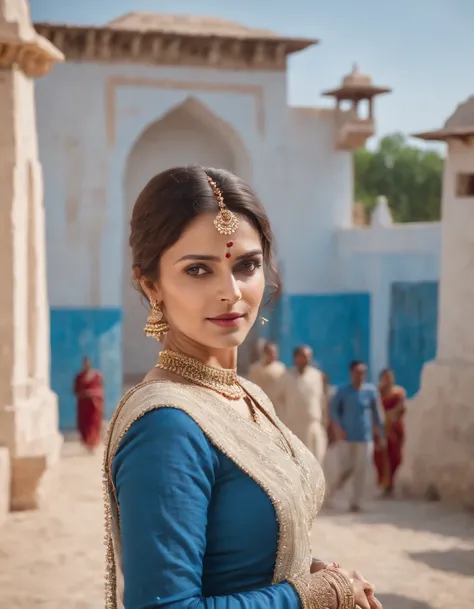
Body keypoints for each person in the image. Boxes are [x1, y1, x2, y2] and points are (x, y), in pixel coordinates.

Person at [103, 165, 382, 609]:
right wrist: (309, 597)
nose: (231, 291)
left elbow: (244, 558)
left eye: (247, 265)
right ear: (151, 284)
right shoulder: (166, 427)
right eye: (198, 270)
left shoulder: (248, 394)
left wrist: (317, 574)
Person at [328, 360, 386, 512]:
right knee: (346, 468)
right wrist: (338, 428)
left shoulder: (371, 391)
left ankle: (356, 502)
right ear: (351, 373)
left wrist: (381, 434)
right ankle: (333, 491)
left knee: (361, 469)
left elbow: (377, 414)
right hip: (346, 437)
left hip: (365, 437)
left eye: (363, 372)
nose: (360, 375)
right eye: (357, 372)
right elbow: (333, 411)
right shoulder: (342, 391)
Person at [277, 345, 328, 464]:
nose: (307, 359)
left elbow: (322, 400)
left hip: (312, 426)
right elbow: (278, 400)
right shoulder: (286, 376)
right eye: (303, 356)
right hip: (293, 428)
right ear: (296, 358)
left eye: (308, 356)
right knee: (296, 463)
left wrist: (326, 422)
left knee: (315, 462)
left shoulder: (317, 375)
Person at [374, 368, 406, 497]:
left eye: (390, 377)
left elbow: (401, 408)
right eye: (385, 377)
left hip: (394, 428)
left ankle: (391, 482)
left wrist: (389, 417)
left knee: (395, 456)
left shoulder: (399, 392)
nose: (388, 379)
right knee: (380, 456)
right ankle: (384, 484)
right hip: (381, 428)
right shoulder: (377, 393)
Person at [73, 356, 104, 452]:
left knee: (94, 424)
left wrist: (93, 394)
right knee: (84, 425)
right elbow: (76, 391)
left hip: (94, 406)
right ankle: (87, 443)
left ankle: (93, 444)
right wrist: (85, 394)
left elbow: (101, 390)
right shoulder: (79, 377)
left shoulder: (97, 376)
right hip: (83, 406)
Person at [247, 340, 286, 416]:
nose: (273, 355)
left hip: (276, 407)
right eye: (270, 352)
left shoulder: (281, 369)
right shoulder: (255, 368)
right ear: (264, 353)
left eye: (275, 352)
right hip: (258, 405)